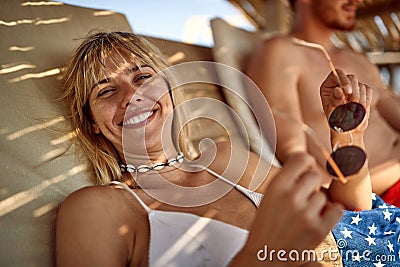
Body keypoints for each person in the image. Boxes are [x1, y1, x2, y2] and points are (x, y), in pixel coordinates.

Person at [56, 31, 377, 267]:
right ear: (93, 123)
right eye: (107, 91)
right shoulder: (99, 208)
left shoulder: (227, 157)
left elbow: (349, 216)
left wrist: (348, 137)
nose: (131, 96)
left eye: (142, 77)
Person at [246, 0, 400, 201]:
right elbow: (297, 160)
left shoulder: (356, 58)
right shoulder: (281, 53)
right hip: (380, 189)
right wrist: (350, 199)